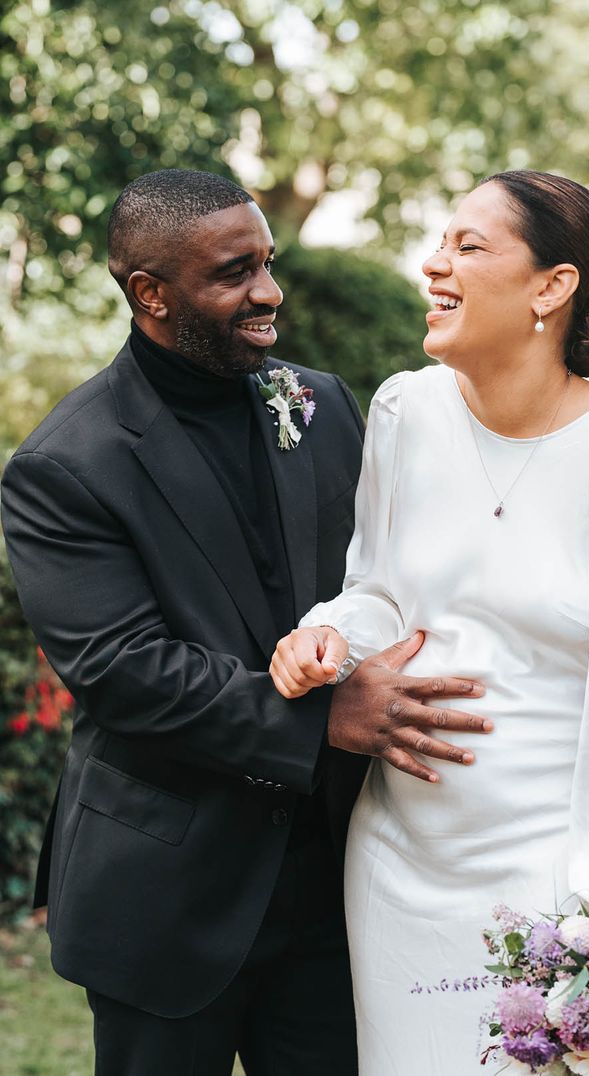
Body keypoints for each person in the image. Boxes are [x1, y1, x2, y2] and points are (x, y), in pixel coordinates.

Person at [0, 169, 494, 1076]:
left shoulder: (320, 403)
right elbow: (121, 669)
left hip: (336, 888)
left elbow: (382, 581)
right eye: (234, 273)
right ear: (150, 293)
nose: (268, 292)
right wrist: (323, 718)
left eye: (266, 262)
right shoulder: (67, 464)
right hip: (168, 893)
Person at [270, 170, 589, 1074]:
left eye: (470, 246)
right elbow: (384, 590)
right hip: (397, 866)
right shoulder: (406, 409)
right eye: (441, 241)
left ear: (551, 287)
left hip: (548, 880)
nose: (436, 264)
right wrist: (330, 637)